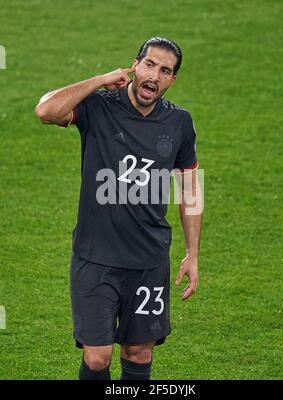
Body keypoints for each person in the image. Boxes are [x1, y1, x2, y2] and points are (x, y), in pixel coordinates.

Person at [35, 37, 202, 380]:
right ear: (135, 66)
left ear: (172, 80)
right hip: (96, 258)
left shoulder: (180, 123)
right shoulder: (99, 106)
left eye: (165, 70)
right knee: (97, 357)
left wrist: (192, 253)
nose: (155, 75)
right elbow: (45, 111)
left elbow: (190, 190)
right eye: (150, 64)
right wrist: (98, 80)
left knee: (139, 354)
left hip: (148, 260)